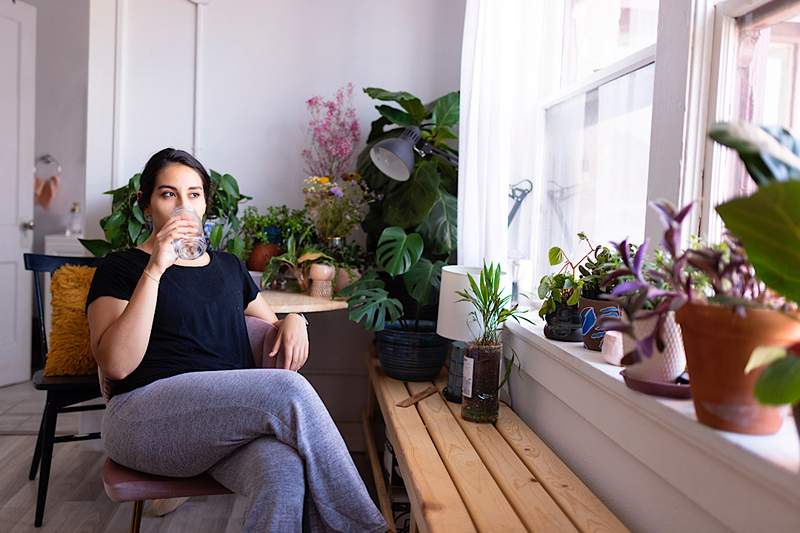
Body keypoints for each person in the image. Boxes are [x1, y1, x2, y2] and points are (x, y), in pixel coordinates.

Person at [86, 148, 387, 532]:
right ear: (147, 205)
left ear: (205, 204)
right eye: (168, 194)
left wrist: (295, 319)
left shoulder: (229, 267)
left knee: (284, 471)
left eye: (194, 194)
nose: (184, 205)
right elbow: (116, 364)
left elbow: (272, 330)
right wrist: (156, 268)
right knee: (288, 391)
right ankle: (368, 528)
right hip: (142, 419)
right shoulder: (121, 267)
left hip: (221, 427)